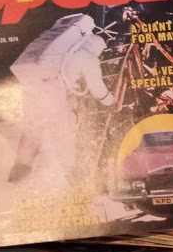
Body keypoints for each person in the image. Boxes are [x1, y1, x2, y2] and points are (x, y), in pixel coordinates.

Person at [8, 30, 114, 184]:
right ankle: (72, 174)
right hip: (52, 92)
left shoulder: (66, 49)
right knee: (63, 133)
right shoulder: (87, 56)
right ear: (98, 46)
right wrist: (110, 101)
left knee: (32, 131)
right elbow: (97, 87)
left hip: (32, 89)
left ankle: (19, 170)